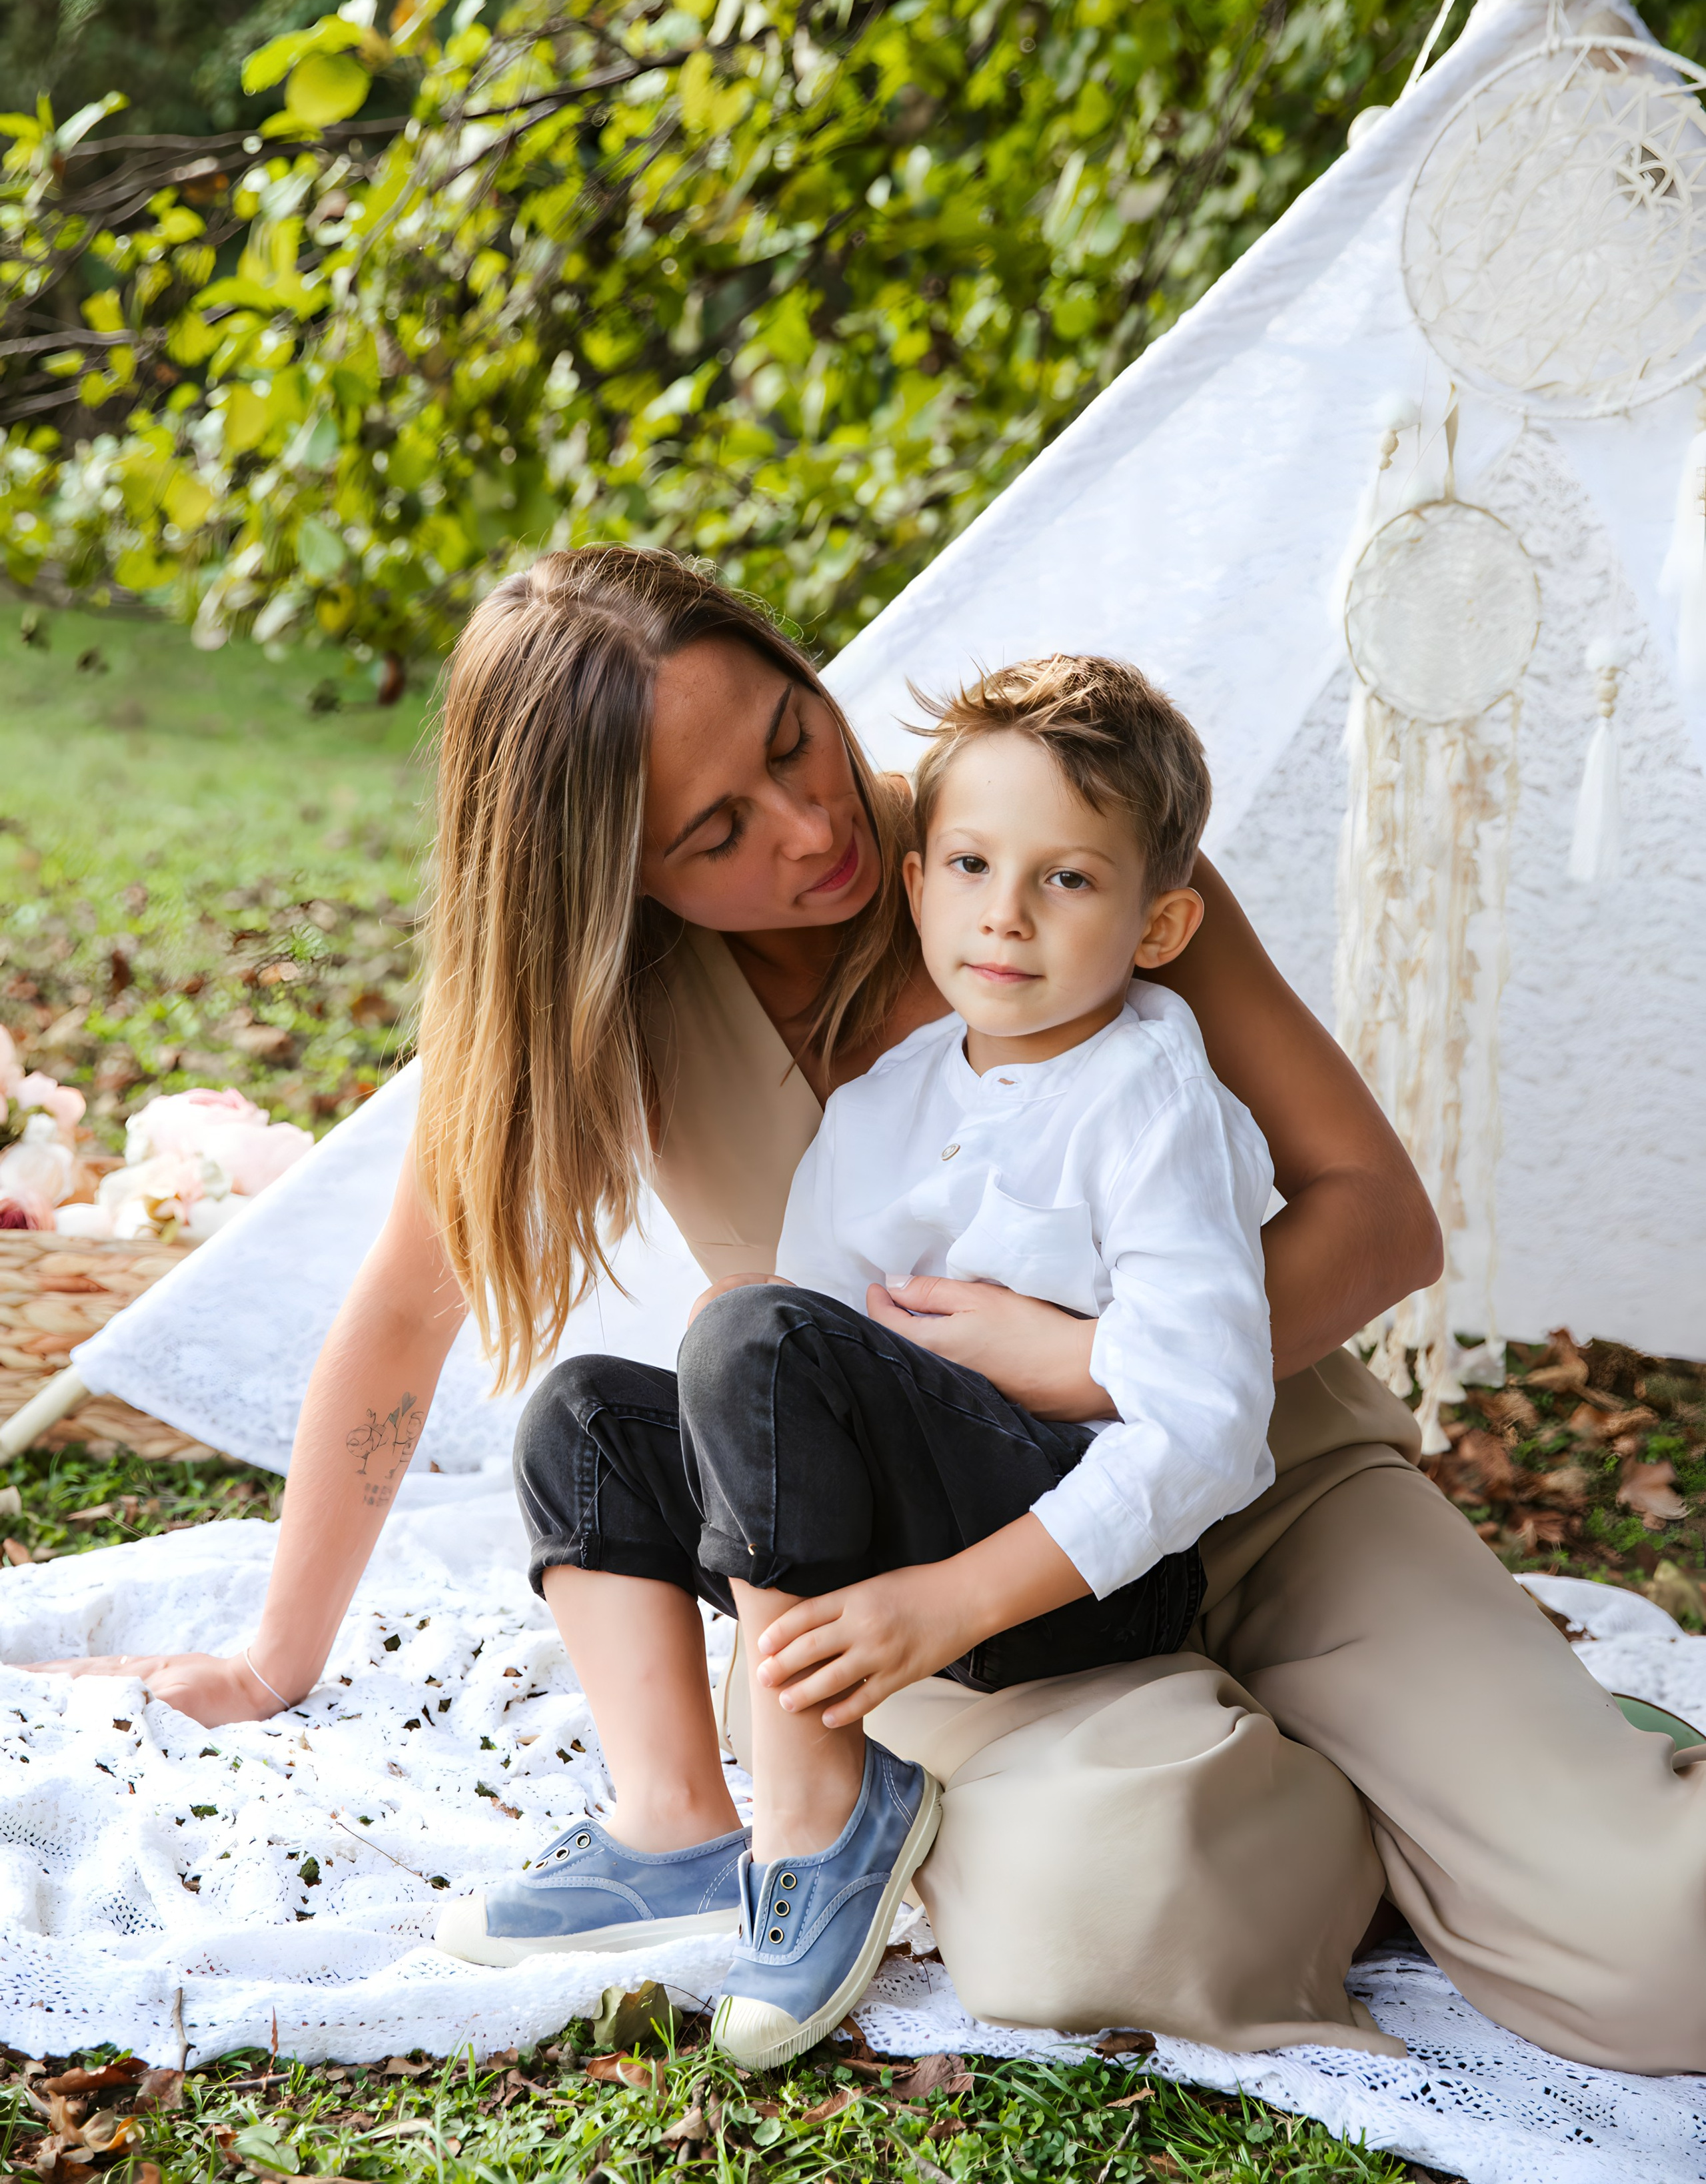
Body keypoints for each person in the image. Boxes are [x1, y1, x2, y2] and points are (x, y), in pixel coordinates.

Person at [46, 547, 1706, 2073]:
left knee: (1663, 1958)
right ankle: (1353, 1801)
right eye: (715, 834)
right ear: (606, 882)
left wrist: (1098, 1370)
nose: (809, 827)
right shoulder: (599, 1009)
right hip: (943, 1589)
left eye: (790, 735)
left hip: (1269, 1481)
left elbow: (1375, 1212)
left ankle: (1484, 1760)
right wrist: (278, 1654)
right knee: (1106, 1917)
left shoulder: (1045, 840)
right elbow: (405, 1322)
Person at [444, 652, 1277, 2072]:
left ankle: (823, 1818)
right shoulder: (890, 1099)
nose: (1004, 915)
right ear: (916, 883)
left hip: (1067, 1572)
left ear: (1161, 921)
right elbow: (787, 1371)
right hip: (898, 1533)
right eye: (968, 864)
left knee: (748, 1327)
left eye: (1066, 880)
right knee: (582, 1412)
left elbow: (1206, 1422)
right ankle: (678, 1823)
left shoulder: (1150, 1097)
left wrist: (950, 1596)